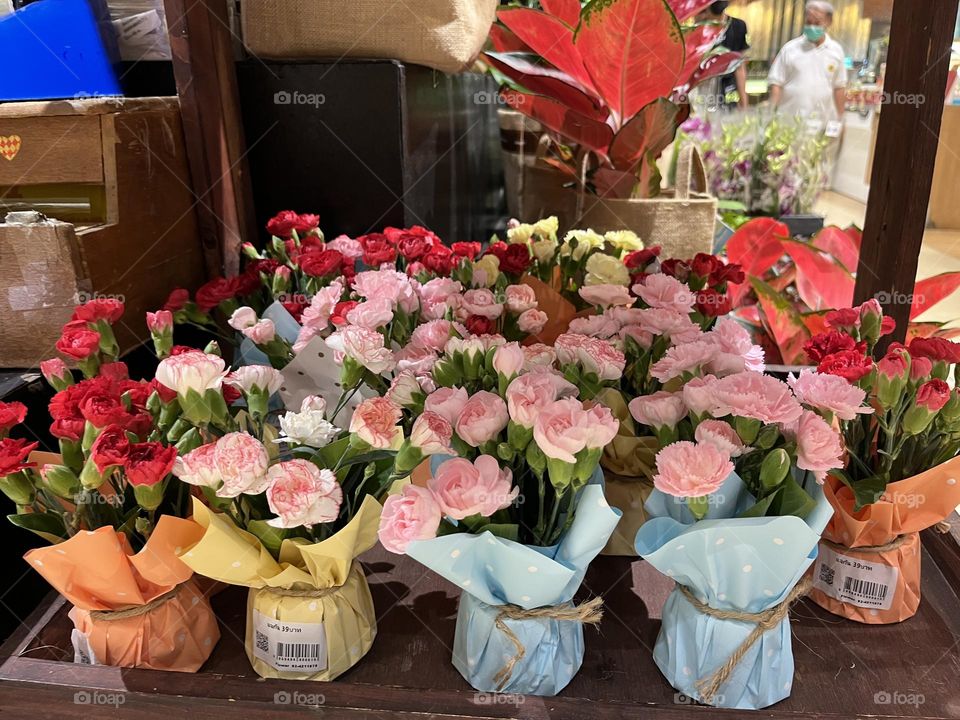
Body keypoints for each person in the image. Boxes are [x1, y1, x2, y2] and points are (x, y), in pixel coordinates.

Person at [767, 1, 847, 123]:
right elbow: (776, 84)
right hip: (788, 122)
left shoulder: (836, 51)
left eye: (817, 23)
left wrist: (841, 120)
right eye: (808, 23)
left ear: (829, 22)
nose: (812, 27)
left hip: (820, 122)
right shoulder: (790, 49)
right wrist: (770, 115)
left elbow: (839, 87)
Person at [699, 1, 750, 110]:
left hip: (728, 89)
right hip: (702, 88)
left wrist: (744, 102)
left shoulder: (738, 27)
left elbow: (739, 66)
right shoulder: (698, 27)